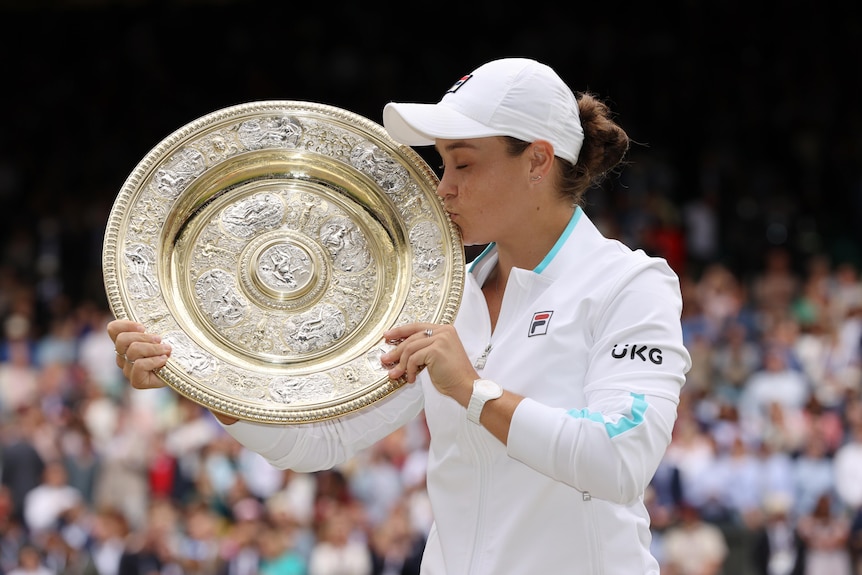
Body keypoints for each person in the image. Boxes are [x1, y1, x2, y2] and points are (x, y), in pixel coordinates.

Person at [108, 57, 692, 574]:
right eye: (443, 166)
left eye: (462, 165)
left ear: (537, 161)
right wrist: (197, 372)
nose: (443, 189)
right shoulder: (444, 294)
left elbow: (618, 462)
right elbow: (322, 442)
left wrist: (471, 390)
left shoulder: (630, 285)